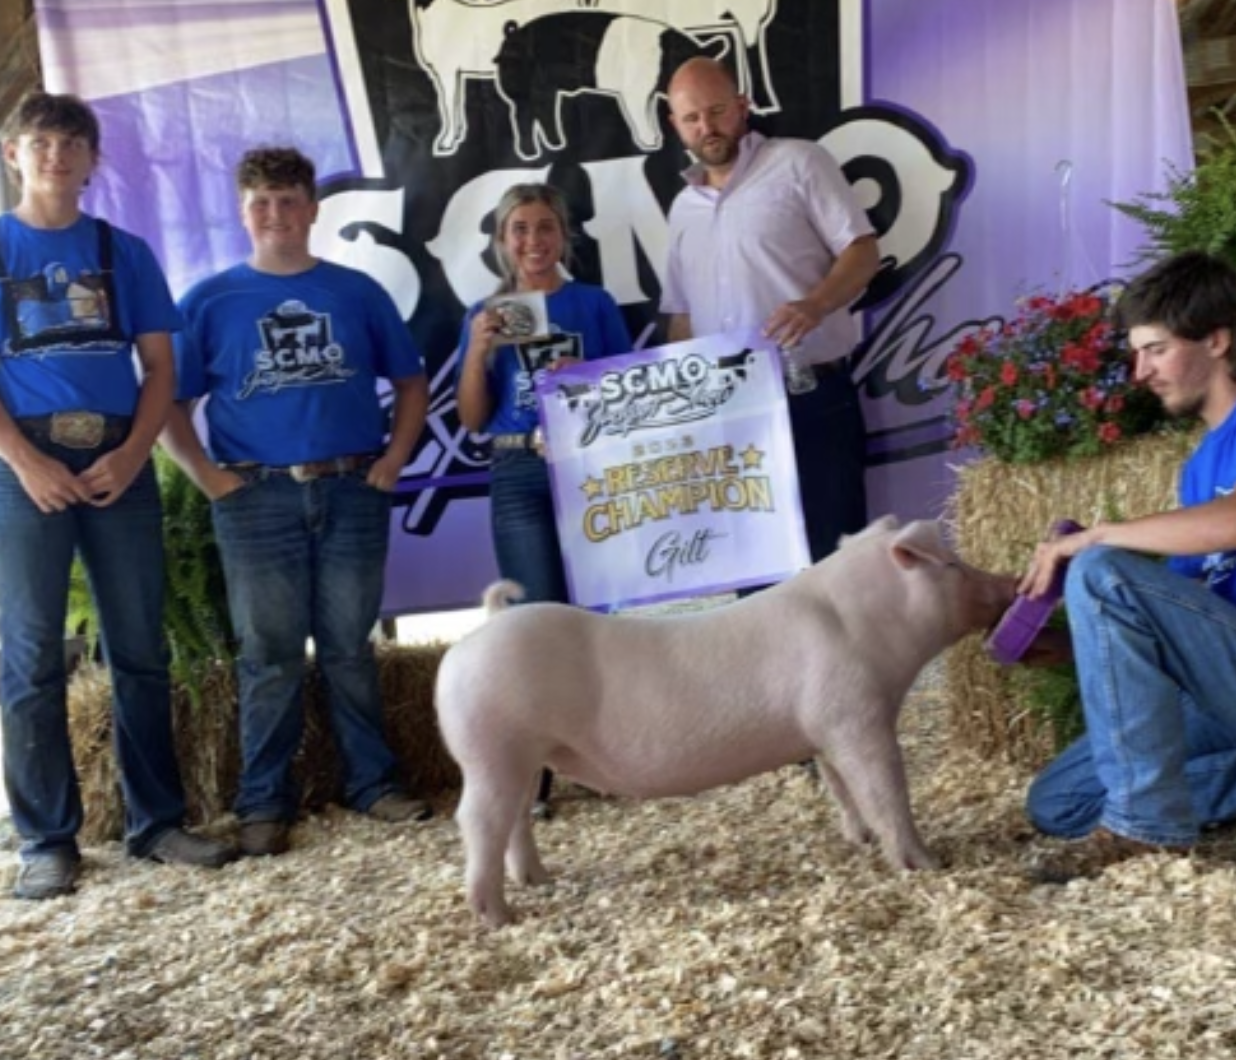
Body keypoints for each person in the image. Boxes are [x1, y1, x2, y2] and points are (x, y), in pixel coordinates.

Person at [0, 91, 236, 899]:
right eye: (39, 142)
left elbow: (163, 371)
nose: (55, 156)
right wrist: (25, 461)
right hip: (23, 458)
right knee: (33, 650)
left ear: (91, 159)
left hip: (119, 455)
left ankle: (158, 823)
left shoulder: (123, 251)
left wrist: (136, 449)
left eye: (71, 143)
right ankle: (45, 838)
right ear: (13, 154)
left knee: (140, 643)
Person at [161, 146, 432, 858]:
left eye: (288, 200)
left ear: (313, 210)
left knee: (348, 646)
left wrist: (394, 460)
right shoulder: (209, 299)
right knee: (270, 654)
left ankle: (373, 782)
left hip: (350, 487)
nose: (275, 214)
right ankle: (264, 800)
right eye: (260, 202)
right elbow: (168, 404)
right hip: (255, 496)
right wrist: (209, 479)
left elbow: (410, 383)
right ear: (242, 211)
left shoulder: (357, 292)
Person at [1021, 250, 1236, 877]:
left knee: (1103, 568)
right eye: (1135, 353)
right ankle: (1148, 806)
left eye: (1156, 350)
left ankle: (1148, 826)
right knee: (1061, 801)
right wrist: (1072, 642)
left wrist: (1099, 538)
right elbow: (1173, 613)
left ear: (1218, 340)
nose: (1139, 371)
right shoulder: (1203, 463)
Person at [659, 57, 881, 565]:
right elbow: (682, 317)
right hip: (728, 412)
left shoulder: (800, 162)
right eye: (692, 118)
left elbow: (863, 251)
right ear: (675, 126)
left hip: (811, 396)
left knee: (836, 567)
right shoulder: (682, 209)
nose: (707, 128)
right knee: (753, 571)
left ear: (743, 106)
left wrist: (817, 303)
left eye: (717, 111)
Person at [455, 182, 632, 813]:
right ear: (503, 242)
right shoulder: (485, 313)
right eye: (520, 230)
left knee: (595, 614)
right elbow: (472, 420)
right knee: (532, 620)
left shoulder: (594, 303)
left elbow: (628, 390)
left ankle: (609, 756)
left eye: (544, 227)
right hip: (518, 469)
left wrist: (582, 382)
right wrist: (477, 350)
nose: (533, 241)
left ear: (564, 236)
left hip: (587, 468)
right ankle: (536, 771)